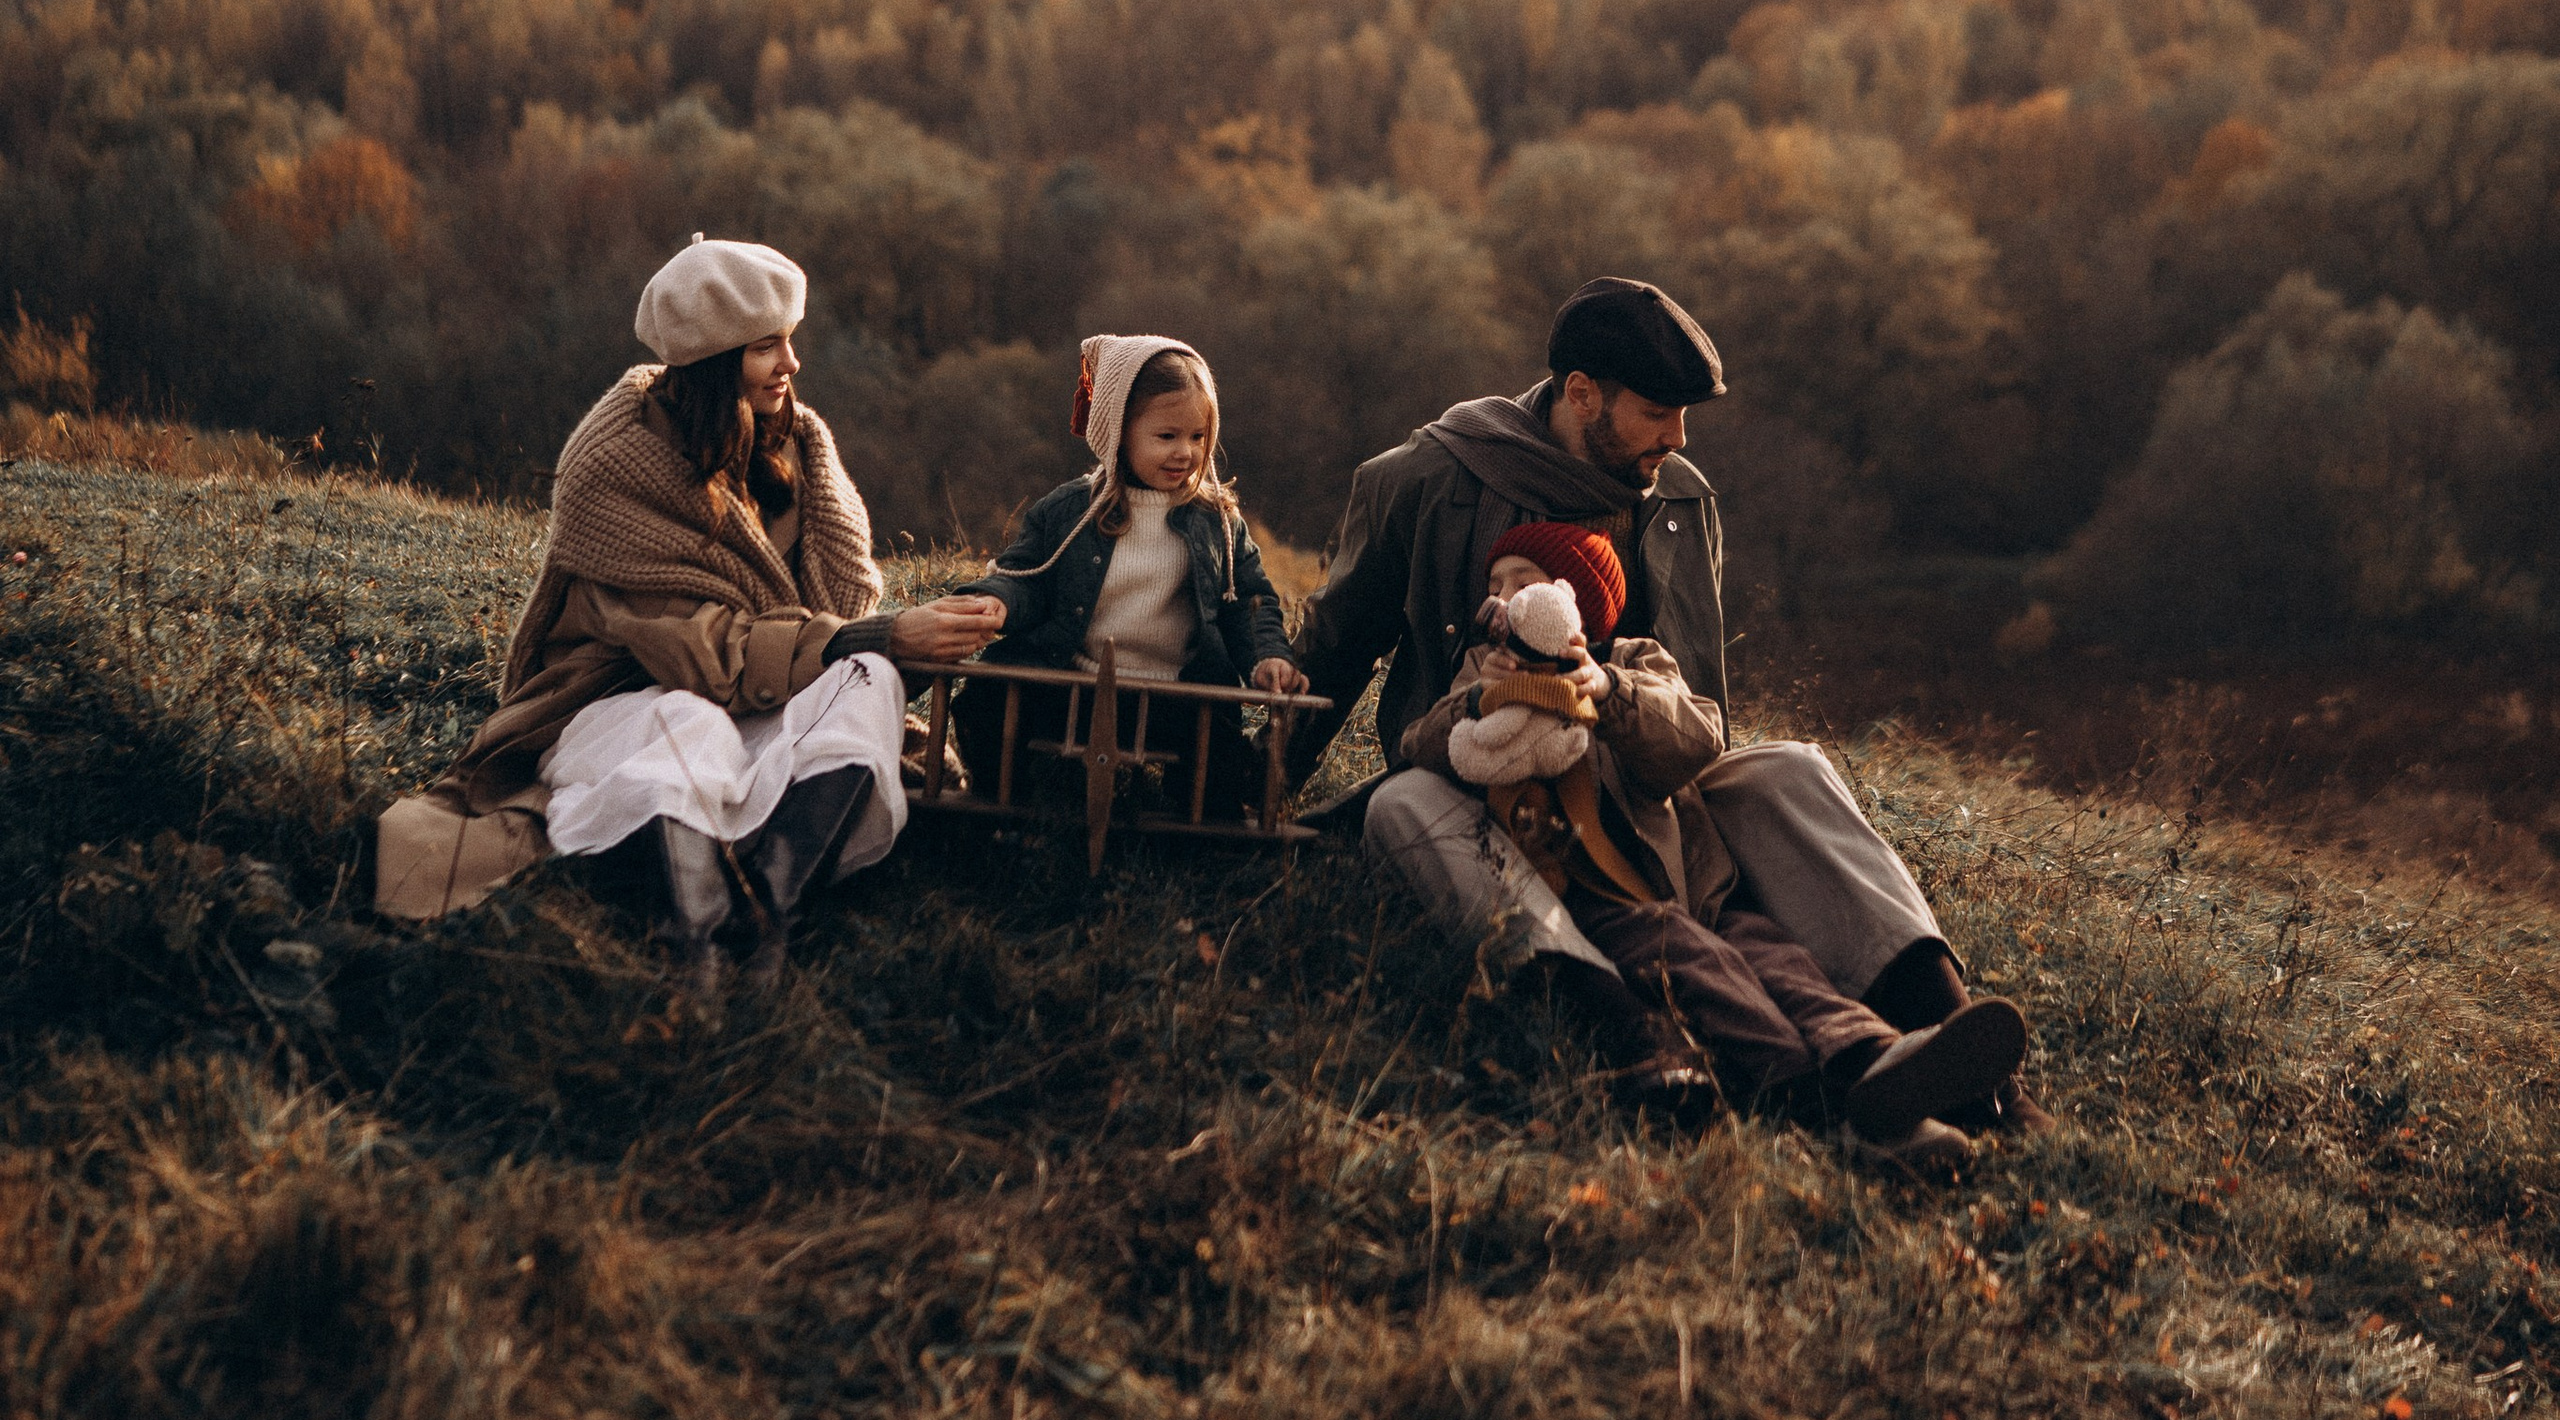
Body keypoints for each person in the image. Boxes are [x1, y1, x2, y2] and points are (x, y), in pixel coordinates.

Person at [1292, 273, 2036, 1123]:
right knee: (1402, 800)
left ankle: (1967, 1055)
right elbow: (1335, 648)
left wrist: (1620, 712)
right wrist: (1246, 789)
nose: (1677, 438)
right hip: (1485, 785)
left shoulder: (1678, 498)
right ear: (1582, 394)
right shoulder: (1429, 477)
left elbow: (1699, 712)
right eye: (1659, 412)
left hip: (1644, 778)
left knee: (1789, 768)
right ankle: (1617, 1018)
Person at [373, 234, 1004, 974]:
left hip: (763, 697)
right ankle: (692, 949)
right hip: (628, 706)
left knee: (872, 680)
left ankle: (765, 919)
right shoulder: (616, 470)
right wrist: (880, 633)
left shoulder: (798, 445)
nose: (792, 365)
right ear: (713, 359)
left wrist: (878, 644)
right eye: (767, 347)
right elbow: (697, 652)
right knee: (692, 722)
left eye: (790, 342)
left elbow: (842, 603)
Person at [1403, 522, 2025, 1147]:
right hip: (1606, 905)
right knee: (1712, 979)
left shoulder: (1633, 661)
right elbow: (1424, 745)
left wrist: (1607, 689)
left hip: (1698, 893)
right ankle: (1817, 1101)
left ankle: (1877, 1058)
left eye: (1525, 584)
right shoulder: (1480, 674)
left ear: (1573, 605)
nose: (1505, 600)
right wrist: (1488, 696)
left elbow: (1696, 738)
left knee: (1783, 965)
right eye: (1495, 586)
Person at [955, 332, 1305, 812]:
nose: (1185, 452)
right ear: (1118, 433)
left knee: (1221, 761)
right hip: (1072, 683)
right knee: (987, 701)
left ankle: (1200, 832)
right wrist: (996, 600)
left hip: (1175, 695)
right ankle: (1004, 809)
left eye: (1198, 436)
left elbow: (1248, 600)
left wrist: (1266, 654)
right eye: (1167, 436)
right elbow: (1027, 575)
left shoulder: (1217, 521)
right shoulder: (1071, 511)